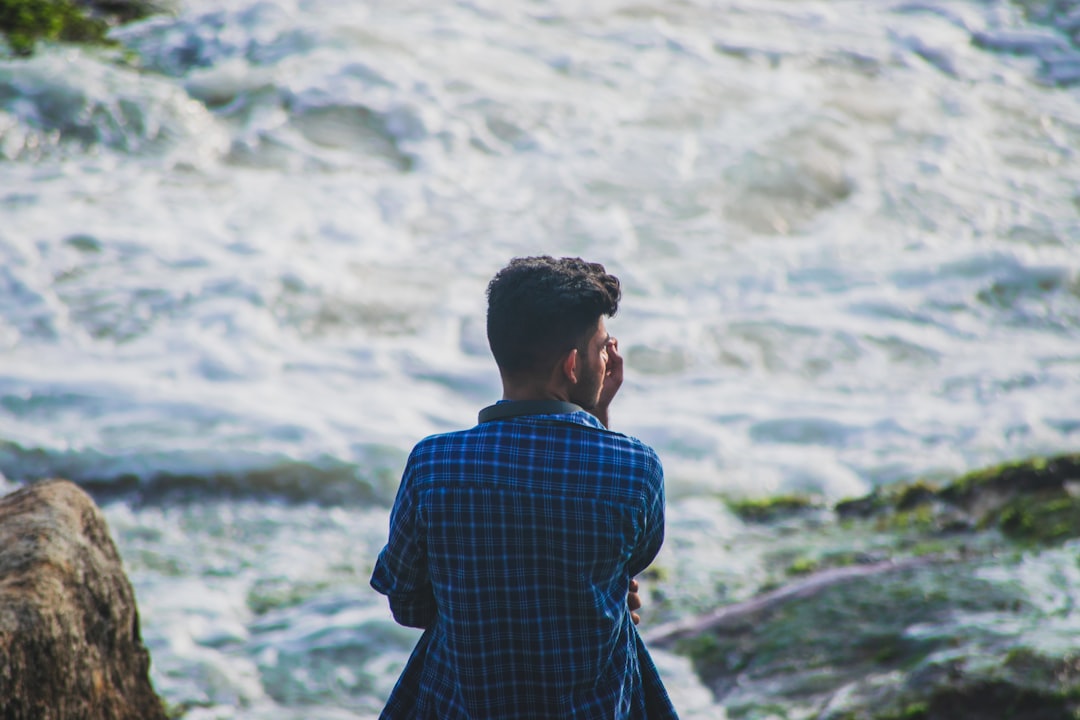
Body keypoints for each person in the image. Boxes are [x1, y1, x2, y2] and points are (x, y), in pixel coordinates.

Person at [370, 256, 677, 719]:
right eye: (601, 348)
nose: (606, 359)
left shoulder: (433, 465)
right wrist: (598, 421)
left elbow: (408, 604)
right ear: (573, 365)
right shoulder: (635, 468)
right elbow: (625, 563)